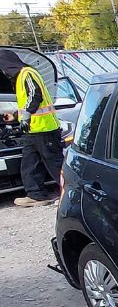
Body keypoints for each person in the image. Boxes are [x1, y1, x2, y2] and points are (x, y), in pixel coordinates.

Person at [0, 49, 64, 207]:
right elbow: (26, 103)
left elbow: (35, 94)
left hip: (45, 129)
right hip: (33, 130)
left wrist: (27, 115)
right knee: (30, 164)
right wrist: (15, 116)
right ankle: (37, 195)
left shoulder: (27, 73)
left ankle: (71, 193)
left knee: (55, 163)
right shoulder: (19, 77)